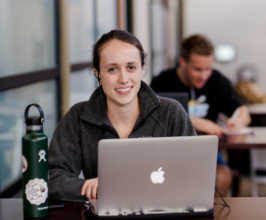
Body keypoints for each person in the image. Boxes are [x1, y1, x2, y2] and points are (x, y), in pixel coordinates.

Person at [48, 30, 196, 202]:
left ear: (142, 69)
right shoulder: (77, 117)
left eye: (131, 67)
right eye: (112, 69)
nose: (124, 78)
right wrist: (92, 189)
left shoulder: (171, 112)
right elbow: (53, 178)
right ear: (98, 73)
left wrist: (116, 186)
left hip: (162, 210)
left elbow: (193, 172)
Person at [150, 34, 251, 196]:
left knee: (223, 176)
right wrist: (196, 122)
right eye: (197, 69)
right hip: (168, 153)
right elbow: (151, 116)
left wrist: (239, 121)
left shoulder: (217, 80)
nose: (204, 76)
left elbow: (243, 111)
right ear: (183, 62)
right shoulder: (162, 82)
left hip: (205, 151)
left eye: (208, 69)